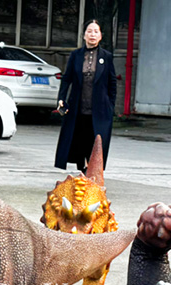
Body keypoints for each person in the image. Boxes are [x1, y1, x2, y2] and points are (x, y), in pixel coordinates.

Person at [54, 19, 117, 172]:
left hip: (100, 109)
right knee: (79, 140)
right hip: (78, 106)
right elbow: (67, 78)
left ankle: (93, 171)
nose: (92, 35)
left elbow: (112, 83)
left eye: (96, 31)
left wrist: (110, 106)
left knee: (96, 140)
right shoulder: (76, 55)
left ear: (100, 36)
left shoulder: (106, 57)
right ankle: (82, 169)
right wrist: (61, 98)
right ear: (84, 35)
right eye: (89, 31)